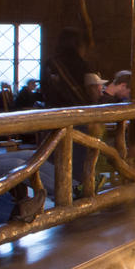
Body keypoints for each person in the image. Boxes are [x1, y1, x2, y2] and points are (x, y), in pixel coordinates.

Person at [40, 28, 98, 198]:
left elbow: (44, 89)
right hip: (78, 116)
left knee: (54, 157)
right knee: (78, 159)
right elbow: (92, 90)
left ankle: (58, 194)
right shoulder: (81, 63)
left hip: (53, 118)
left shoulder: (50, 63)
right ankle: (78, 192)